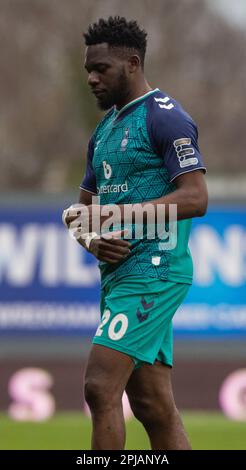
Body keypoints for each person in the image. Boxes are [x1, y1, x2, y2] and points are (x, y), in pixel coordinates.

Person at [63, 16, 208, 450]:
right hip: (120, 277)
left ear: (132, 63)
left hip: (156, 272)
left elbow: (196, 198)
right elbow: (83, 212)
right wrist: (90, 236)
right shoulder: (104, 132)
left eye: (101, 68)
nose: (91, 78)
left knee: (99, 386)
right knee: (151, 404)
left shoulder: (166, 118)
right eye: (88, 68)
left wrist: (119, 217)